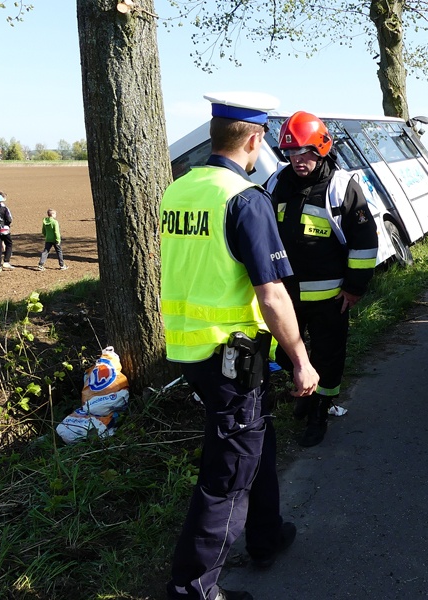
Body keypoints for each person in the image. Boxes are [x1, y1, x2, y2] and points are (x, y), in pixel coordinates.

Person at [160, 92, 320, 600]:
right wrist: (300, 360)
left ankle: (266, 536)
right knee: (227, 477)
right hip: (232, 357)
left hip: (191, 352)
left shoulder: (178, 192)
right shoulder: (245, 198)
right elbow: (272, 295)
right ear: (254, 139)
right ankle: (195, 590)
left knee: (258, 439)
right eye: (265, 139)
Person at [265, 111, 379, 448]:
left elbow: (365, 242)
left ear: (322, 149)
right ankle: (305, 389)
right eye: (291, 154)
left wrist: (355, 289)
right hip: (287, 296)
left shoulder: (341, 186)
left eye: (305, 153)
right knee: (286, 354)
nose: (298, 161)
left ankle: (319, 410)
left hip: (331, 299)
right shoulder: (275, 183)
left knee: (328, 357)